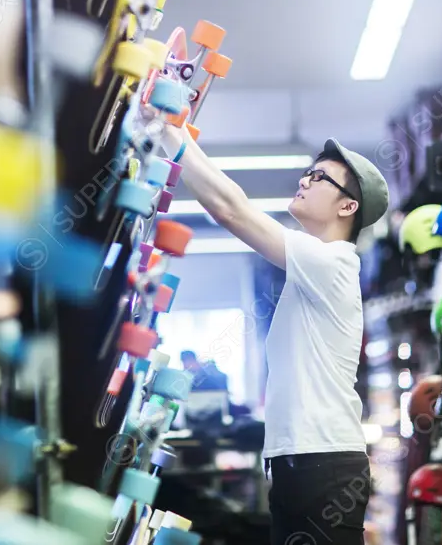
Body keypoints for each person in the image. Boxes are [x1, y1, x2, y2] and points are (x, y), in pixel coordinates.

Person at [153, 116, 388, 545]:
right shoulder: (312, 270)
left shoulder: (333, 262)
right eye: (309, 171)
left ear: (347, 206)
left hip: (323, 462)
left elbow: (231, 209)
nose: (305, 179)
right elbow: (226, 211)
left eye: (319, 177)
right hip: (304, 462)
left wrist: (172, 134)